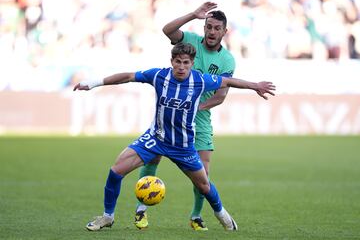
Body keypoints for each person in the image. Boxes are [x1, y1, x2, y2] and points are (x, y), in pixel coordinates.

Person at [74, 42, 275, 231]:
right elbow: (127, 76)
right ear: (172, 62)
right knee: (116, 171)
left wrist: (255, 85)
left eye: (186, 62)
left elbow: (229, 80)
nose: (181, 66)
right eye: (178, 62)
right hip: (156, 139)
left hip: (183, 146)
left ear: (192, 63)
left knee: (204, 186)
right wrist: (93, 83)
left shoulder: (200, 80)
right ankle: (107, 216)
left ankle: (221, 213)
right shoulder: (158, 76)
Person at [134, 2, 237, 231]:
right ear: (204, 27)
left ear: (224, 31)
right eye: (208, 26)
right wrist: (192, 14)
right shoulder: (188, 40)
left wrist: (196, 107)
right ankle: (141, 210)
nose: (211, 31)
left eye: (216, 28)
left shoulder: (227, 61)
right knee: (153, 158)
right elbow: (167, 31)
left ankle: (196, 216)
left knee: (203, 173)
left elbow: (221, 95)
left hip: (199, 120)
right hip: (170, 113)